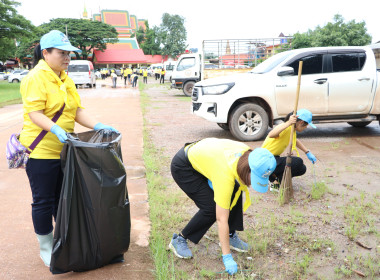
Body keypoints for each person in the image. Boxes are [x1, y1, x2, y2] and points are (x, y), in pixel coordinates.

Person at [18, 30, 118, 267]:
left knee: (64, 199)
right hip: (41, 152)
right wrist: (55, 129)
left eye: (69, 54)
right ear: (46, 53)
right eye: (62, 53)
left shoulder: (65, 78)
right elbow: (34, 113)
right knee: (43, 200)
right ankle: (46, 246)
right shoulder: (35, 78)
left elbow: (77, 111)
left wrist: (98, 125)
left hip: (66, 151)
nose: (67, 58)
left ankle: (65, 240)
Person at [169, 138, 276, 275]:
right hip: (184, 167)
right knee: (211, 208)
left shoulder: (250, 155)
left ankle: (230, 235)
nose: (252, 184)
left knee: (236, 188)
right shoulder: (225, 174)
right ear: (246, 170)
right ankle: (179, 239)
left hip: (206, 158)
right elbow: (221, 219)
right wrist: (227, 257)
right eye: (254, 178)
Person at [262, 109, 317, 191]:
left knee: (302, 169)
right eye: (306, 125)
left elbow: (295, 140)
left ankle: (274, 178)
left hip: (271, 160)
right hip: (264, 161)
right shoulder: (286, 126)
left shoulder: (292, 130)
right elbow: (271, 134)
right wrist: (288, 123)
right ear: (301, 122)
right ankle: (275, 184)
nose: (306, 127)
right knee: (298, 162)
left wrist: (307, 152)